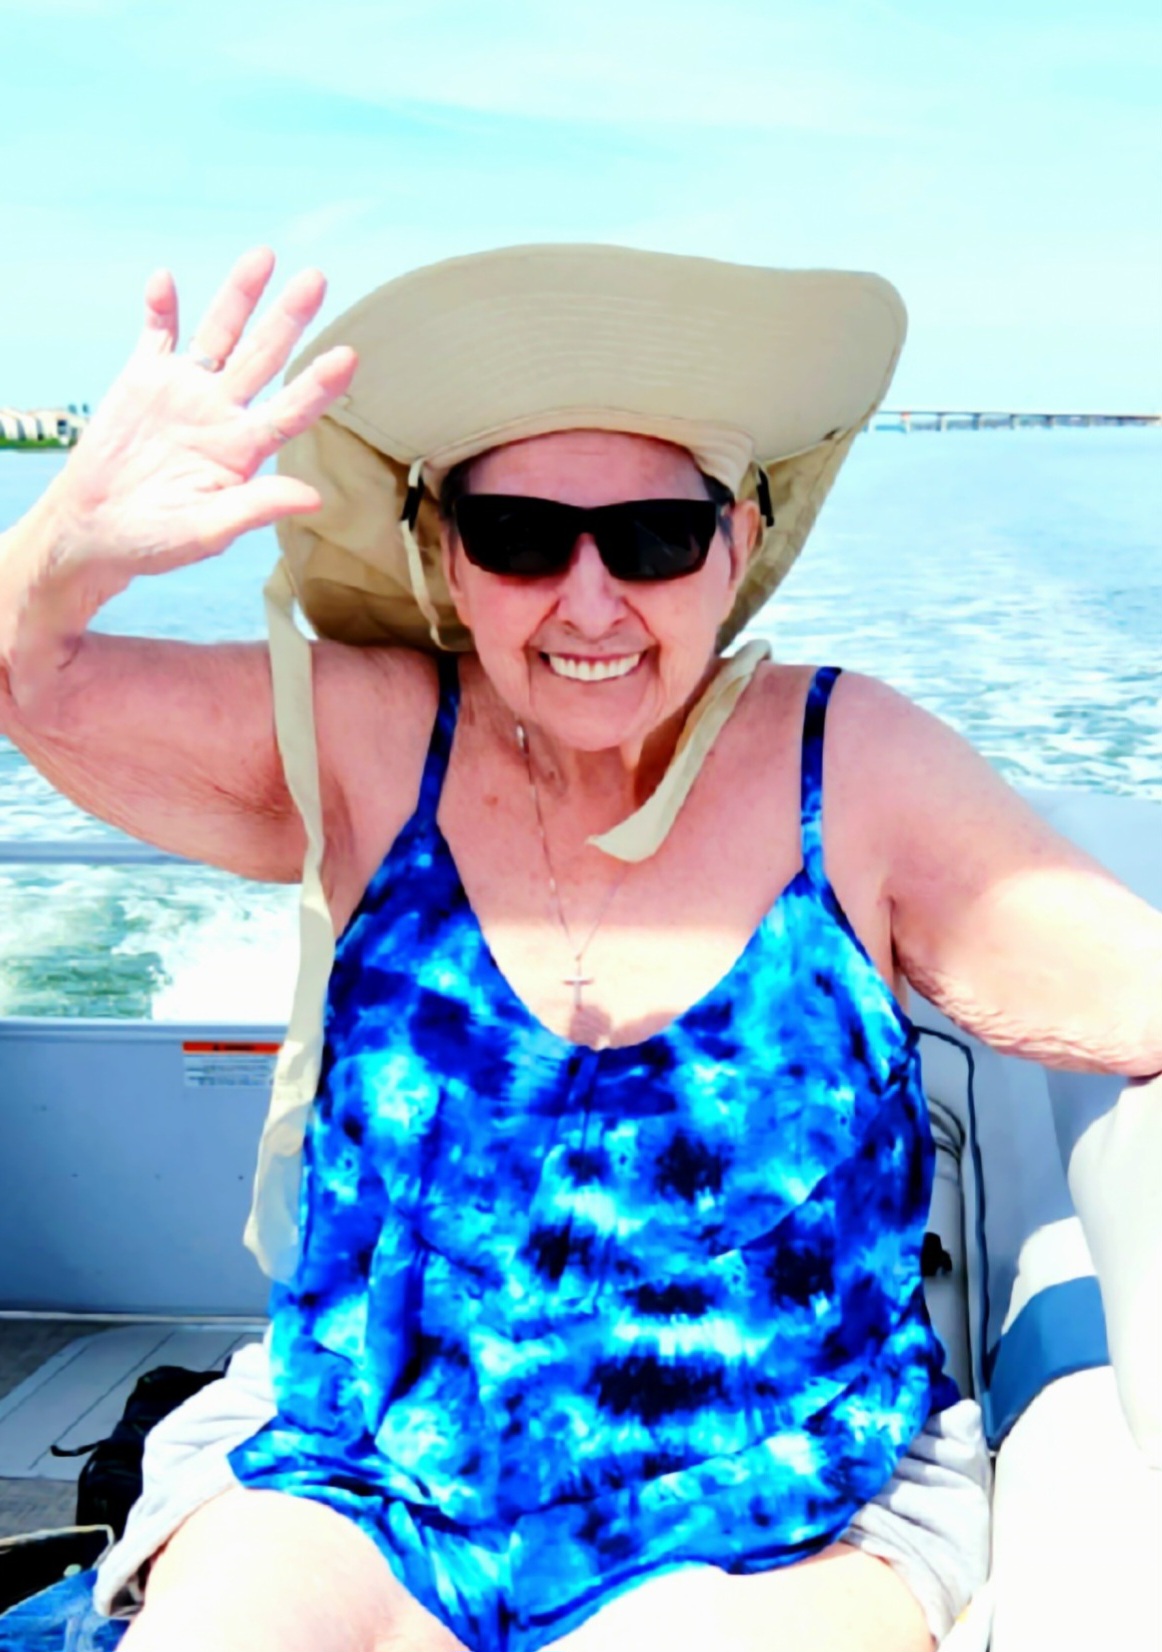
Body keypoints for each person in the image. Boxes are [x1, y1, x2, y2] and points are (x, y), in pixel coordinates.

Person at [1, 244, 1160, 1652]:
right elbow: (32, 680)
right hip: (363, 1455)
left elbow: (1134, 996)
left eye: (655, 537)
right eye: (521, 536)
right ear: (446, 550)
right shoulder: (371, 738)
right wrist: (59, 547)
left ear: (735, 542)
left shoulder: (852, 769)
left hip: (782, 1504)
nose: (592, 601)